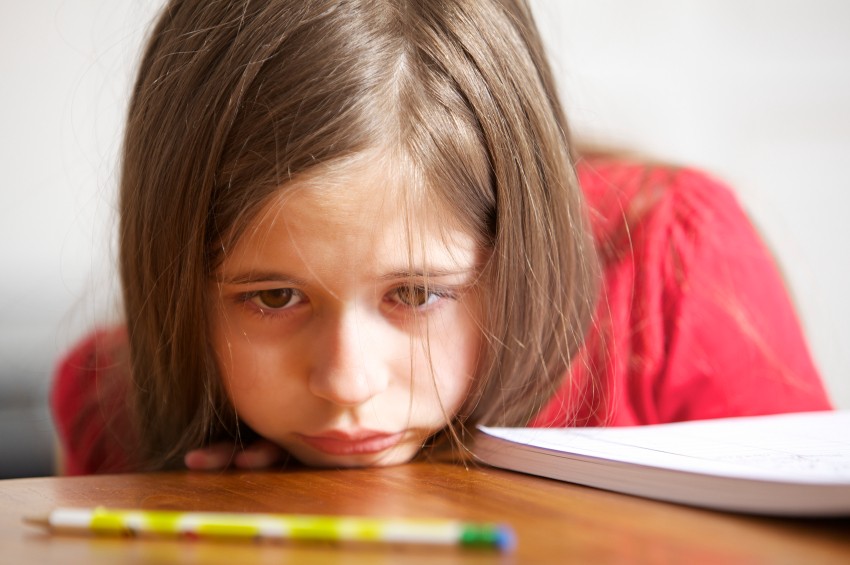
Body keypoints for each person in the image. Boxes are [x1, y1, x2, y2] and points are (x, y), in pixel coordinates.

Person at [52, 0, 831, 476]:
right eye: (274, 296)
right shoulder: (110, 406)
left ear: (516, 242)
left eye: (417, 292)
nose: (349, 383)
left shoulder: (675, 261)